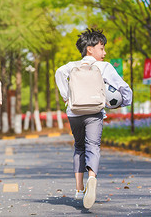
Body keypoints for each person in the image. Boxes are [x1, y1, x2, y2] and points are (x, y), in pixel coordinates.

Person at [55, 28, 132, 209]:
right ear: (90, 49)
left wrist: (66, 96)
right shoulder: (104, 67)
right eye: (102, 48)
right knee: (93, 146)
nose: (104, 53)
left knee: (79, 147)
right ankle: (92, 178)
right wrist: (124, 102)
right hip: (94, 112)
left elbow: (59, 73)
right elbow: (123, 87)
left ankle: (79, 189)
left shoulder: (71, 66)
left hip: (74, 112)